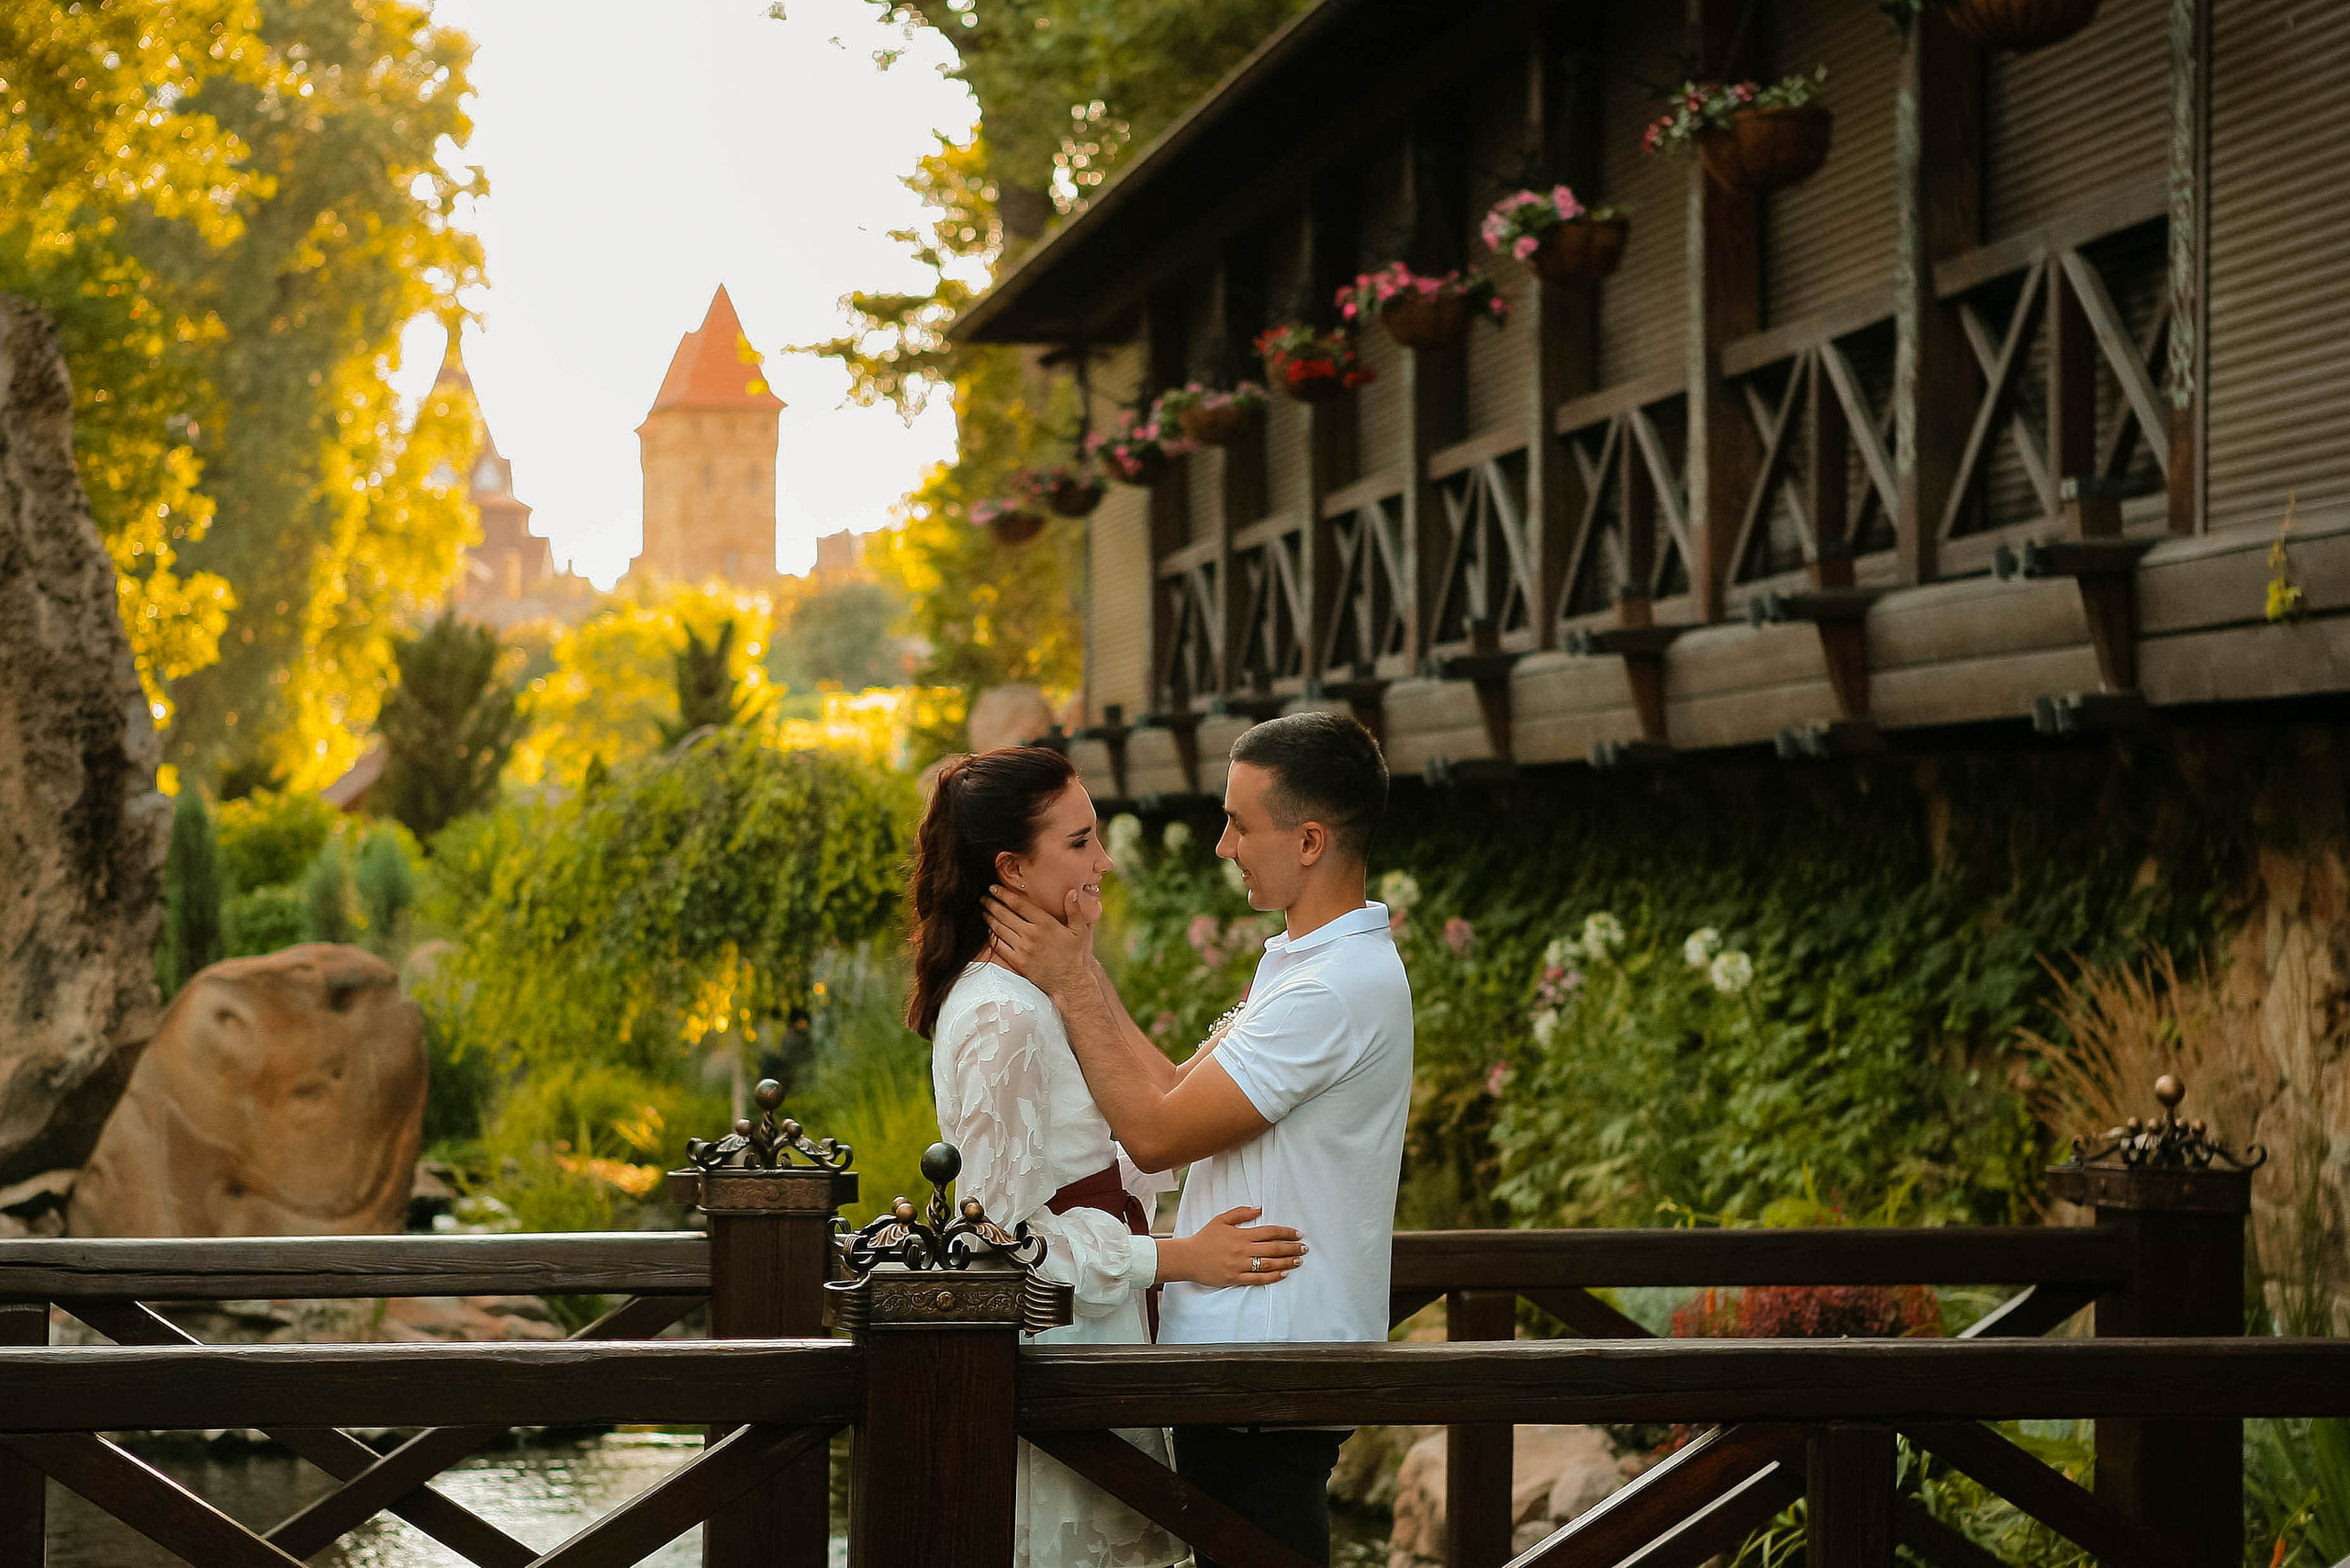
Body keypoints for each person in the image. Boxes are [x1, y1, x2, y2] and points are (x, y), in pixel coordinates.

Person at [982, 711, 1411, 1568]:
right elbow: (1176, 1087)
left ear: (1312, 839)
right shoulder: (1299, 963)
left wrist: (1068, 982)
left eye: (1241, 824)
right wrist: (1086, 971)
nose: (1224, 845)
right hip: (1242, 1360)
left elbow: (1151, 1134)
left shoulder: (1333, 989)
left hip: (1269, 1369)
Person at [907, 745, 1310, 1568]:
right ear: (1012, 868)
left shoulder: (1045, 991)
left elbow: (1145, 1121)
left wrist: (1080, 969)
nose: (1106, 859)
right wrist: (1174, 1258)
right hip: (1058, 1365)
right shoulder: (1000, 1017)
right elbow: (996, 1249)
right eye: (1081, 841)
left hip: (1101, 1341)